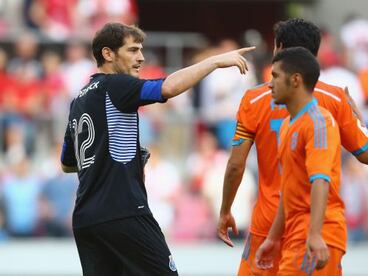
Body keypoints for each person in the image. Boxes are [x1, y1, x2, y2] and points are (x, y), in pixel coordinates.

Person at [60, 22, 254, 276]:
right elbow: (168, 87)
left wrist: (108, 156)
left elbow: (67, 163)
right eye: (132, 50)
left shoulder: (79, 100)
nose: (140, 58)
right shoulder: (116, 85)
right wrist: (215, 62)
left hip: (86, 218)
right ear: (108, 54)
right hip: (123, 211)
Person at [217, 18, 368, 276]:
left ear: (280, 49)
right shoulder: (333, 101)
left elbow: (236, 164)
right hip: (293, 224)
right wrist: (359, 120)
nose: (270, 82)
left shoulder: (257, 100)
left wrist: (225, 210)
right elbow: (366, 153)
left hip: (299, 225)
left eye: (275, 74)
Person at [256, 46, 345, 275]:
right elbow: (289, 189)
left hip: (317, 233)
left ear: (295, 80)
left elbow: (321, 180)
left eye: (275, 76)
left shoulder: (318, 123)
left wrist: (315, 234)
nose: (269, 83)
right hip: (296, 235)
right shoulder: (288, 124)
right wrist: (274, 238)